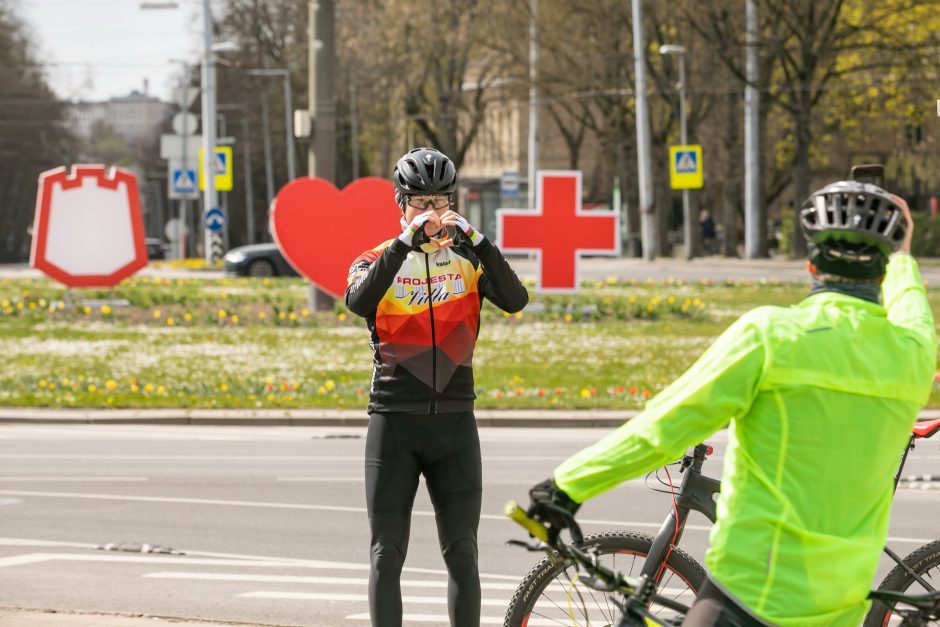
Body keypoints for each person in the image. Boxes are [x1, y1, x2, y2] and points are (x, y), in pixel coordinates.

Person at [525, 181, 935, 626]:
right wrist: (904, 254)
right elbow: (911, 305)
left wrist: (566, 487)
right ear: (881, 273)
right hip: (838, 610)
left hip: (747, 599)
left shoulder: (771, 337)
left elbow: (664, 428)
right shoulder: (913, 354)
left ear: (810, 263)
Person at [345, 147, 529, 627]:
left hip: (455, 425)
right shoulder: (374, 259)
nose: (430, 212)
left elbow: (515, 299)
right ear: (399, 203)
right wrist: (404, 243)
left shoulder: (468, 258)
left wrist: (478, 241)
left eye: (439, 201)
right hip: (393, 424)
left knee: (464, 556)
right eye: (419, 202)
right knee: (387, 556)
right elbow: (359, 301)